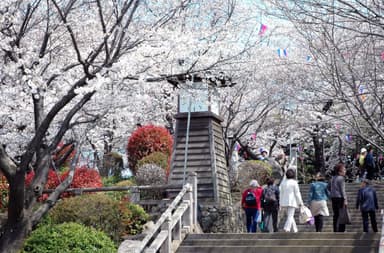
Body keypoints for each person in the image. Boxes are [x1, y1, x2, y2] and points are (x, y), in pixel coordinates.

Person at [279, 168, 304, 233]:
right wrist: (300, 202)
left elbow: (281, 193)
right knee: (290, 216)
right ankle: (286, 228)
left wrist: (280, 203)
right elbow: (297, 193)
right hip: (292, 201)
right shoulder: (294, 183)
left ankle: (295, 230)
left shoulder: (283, 183)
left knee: (290, 216)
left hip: (284, 201)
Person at [329, 163, 348, 232]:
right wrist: (345, 200)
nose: (345, 171)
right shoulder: (341, 178)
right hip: (340, 198)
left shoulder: (332, 178)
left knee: (336, 215)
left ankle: (335, 229)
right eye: (344, 170)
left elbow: (327, 187)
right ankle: (341, 229)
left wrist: (331, 194)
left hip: (333, 198)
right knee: (341, 214)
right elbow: (342, 190)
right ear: (340, 171)